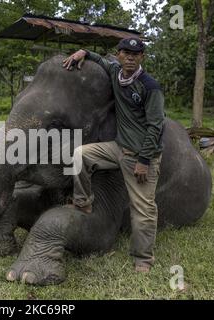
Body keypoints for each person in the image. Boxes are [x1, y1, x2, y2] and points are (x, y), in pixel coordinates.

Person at [62, 37, 165, 273]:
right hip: (118, 148)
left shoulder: (150, 87)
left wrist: (144, 160)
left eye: (135, 54)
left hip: (141, 156)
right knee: (80, 154)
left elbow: (156, 126)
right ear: (118, 55)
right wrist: (83, 50)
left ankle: (143, 259)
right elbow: (98, 58)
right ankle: (83, 202)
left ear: (142, 58)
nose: (130, 57)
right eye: (126, 53)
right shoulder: (115, 71)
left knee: (143, 208)